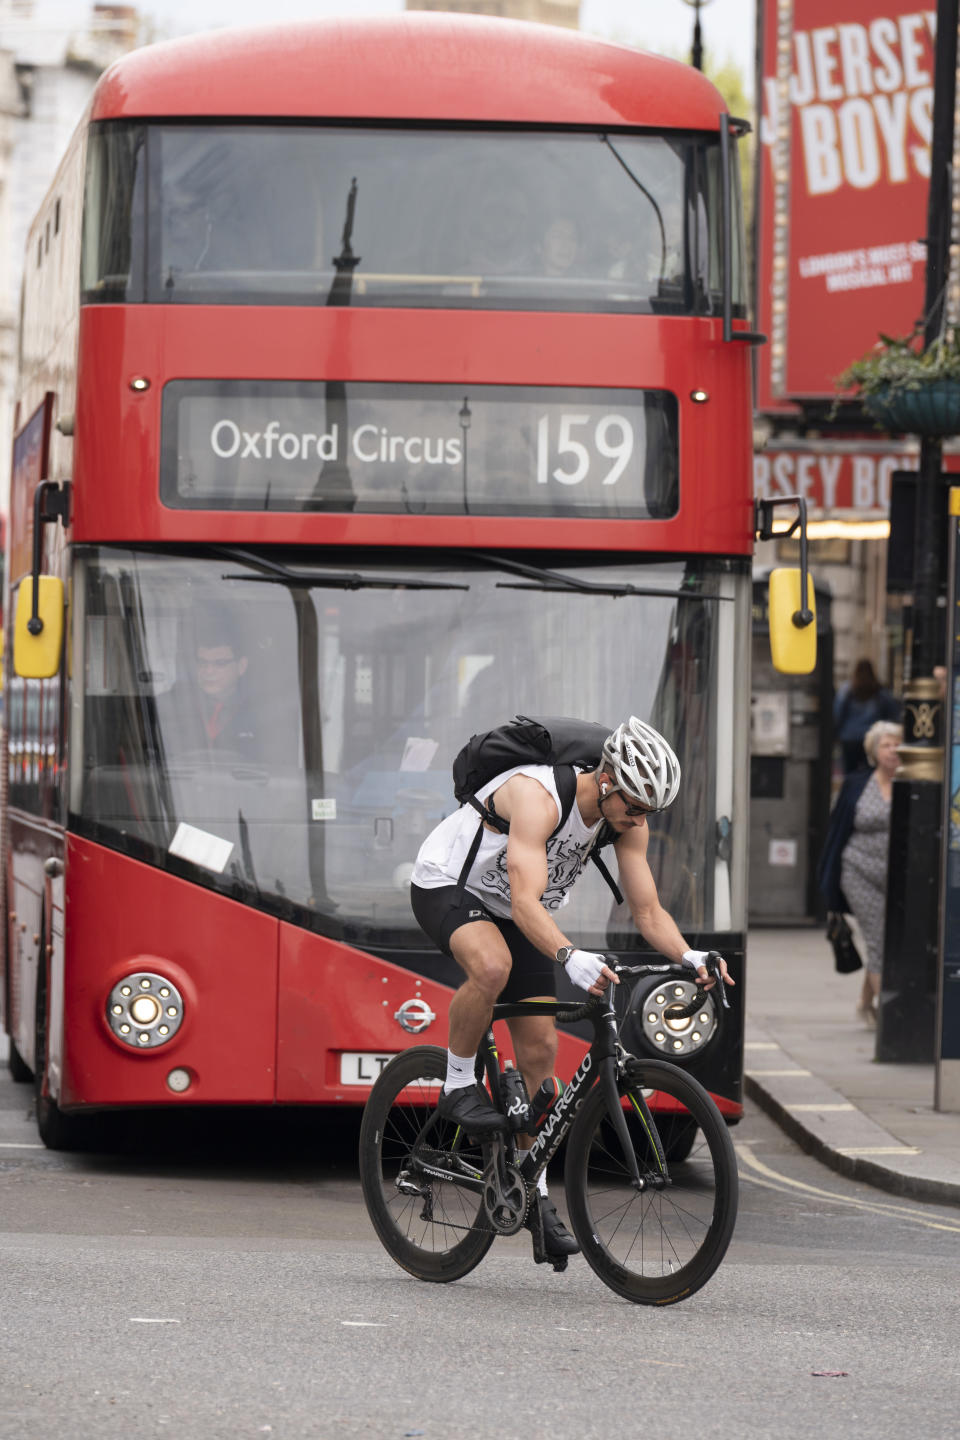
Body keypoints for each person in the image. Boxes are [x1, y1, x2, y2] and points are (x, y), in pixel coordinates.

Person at [409, 716, 734, 1260]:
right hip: (450, 884)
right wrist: (568, 955)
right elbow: (523, 902)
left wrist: (690, 955)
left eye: (648, 812)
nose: (638, 819)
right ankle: (457, 1082)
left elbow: (647, 909)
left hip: (519, 908)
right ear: (606, 779)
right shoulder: (540, 796)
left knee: (540, 1055)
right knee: (491, 967)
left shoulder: (628, 820)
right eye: (634, 805)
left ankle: (533, 1198)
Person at [817, 720, 903, 1026]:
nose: (893, 750)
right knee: (880, 939)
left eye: (897, 744)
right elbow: (837, 831)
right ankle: (888, 1019)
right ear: (874, 750)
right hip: (858, 872)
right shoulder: (857, 784)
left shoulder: (910, 783)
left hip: (896, 877)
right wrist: (828, 878)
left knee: (891, 938)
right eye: (886, 744)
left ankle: (865, 1002)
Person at [833, 659, 900, 774]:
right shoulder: (879, 691)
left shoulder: (847, 689)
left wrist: (836, 733)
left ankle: (853, 791)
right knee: (871, 772)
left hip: (850, 738)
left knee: (850, 772)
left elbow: (838, 713)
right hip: (871, 737)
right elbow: (893, 712)